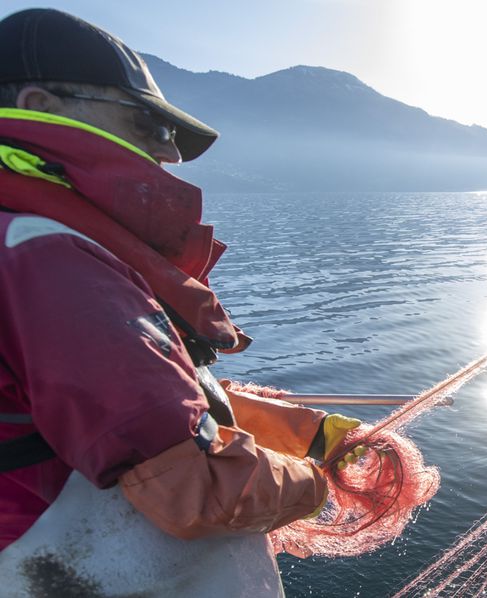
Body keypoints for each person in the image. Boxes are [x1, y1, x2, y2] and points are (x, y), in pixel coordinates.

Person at [0, 8, 361, 595]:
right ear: (41, 106)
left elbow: (137, 408)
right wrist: (316, 480)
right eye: (147, 123)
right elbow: (194, 488)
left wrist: (308, 432)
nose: (168, 154)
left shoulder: (27, 241)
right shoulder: (47, 257)